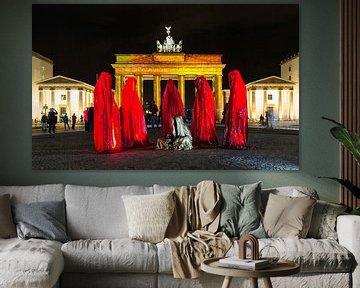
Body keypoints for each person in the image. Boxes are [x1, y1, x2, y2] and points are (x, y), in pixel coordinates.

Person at [93, 71, 122, 153]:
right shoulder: (102, 90)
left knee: (105, 131)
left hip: (103, 115)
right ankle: (105, 145)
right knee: (105, 130)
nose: (110, 82)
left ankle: (104, 144)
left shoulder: (101, 90)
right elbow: (103, 105)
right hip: (104, 115)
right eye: (109, 80)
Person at [222, 70, 248, 149]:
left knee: (237, 128)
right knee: (232, 127)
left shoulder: (240, 88)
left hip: (238, 114)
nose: (230, 81)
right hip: (233, 113)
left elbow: (240, 103)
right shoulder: (234, 89)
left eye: (231, 79)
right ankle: (232, 139)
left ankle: (236, 140)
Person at [120, 77, 148, 148]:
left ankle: (129, 139)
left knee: (129, 126)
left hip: (129, 114)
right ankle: (131, 139)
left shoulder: (126, 92)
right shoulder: (130, 93)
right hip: (129, 114)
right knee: (130, 125)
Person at [191, 76, 218, 146]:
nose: (197, 87)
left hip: (205, 116)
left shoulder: (206, 93)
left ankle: (205, 137)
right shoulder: (202, 93)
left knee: (205, 125)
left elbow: (207, 106)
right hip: (201, 116)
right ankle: (203, 137)